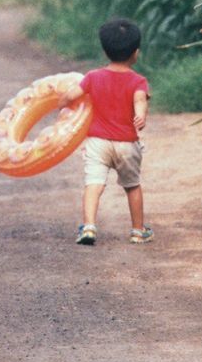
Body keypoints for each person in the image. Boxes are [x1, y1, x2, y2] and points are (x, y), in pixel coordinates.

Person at [58, 16, 152, 247]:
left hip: (97, 142)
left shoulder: (92, 77)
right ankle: (138, 231)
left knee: (94, 184)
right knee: (132, 186)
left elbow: (72, 95)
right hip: (126, 144)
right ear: (135, 53)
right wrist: (141, 114)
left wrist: (60, 100)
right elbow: (140, 100)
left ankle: (89, 226)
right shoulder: (138, 80)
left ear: (105, 50)